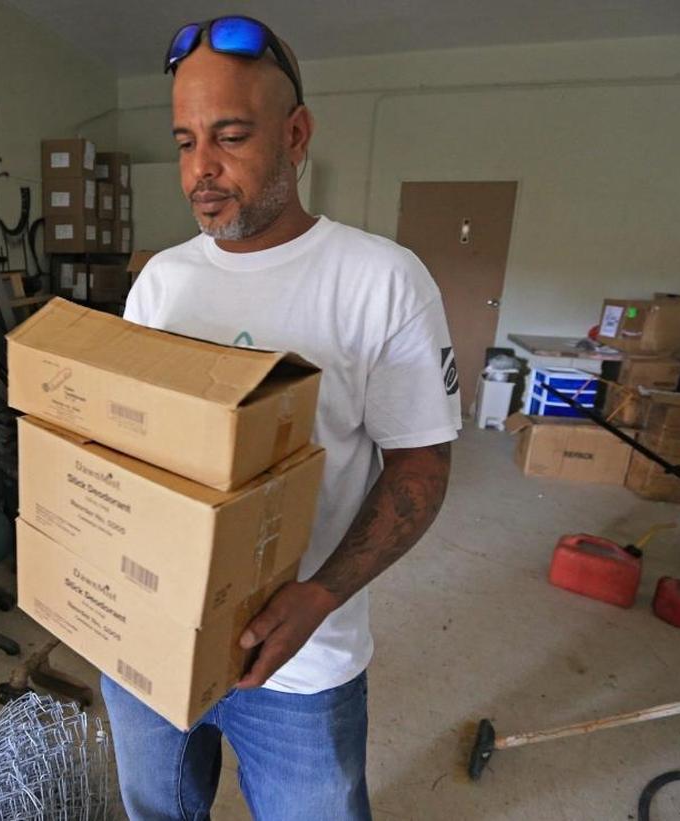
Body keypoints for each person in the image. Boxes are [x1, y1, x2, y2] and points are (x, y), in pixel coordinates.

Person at [102, 15, 461, 821]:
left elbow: (421, 468)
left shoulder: (382, 280)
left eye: (230, 135)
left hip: (300, 660)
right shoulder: (159, 282)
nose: (202, 169)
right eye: (186, 140)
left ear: (296, 134)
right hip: (152, 635)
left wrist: (320, 595)